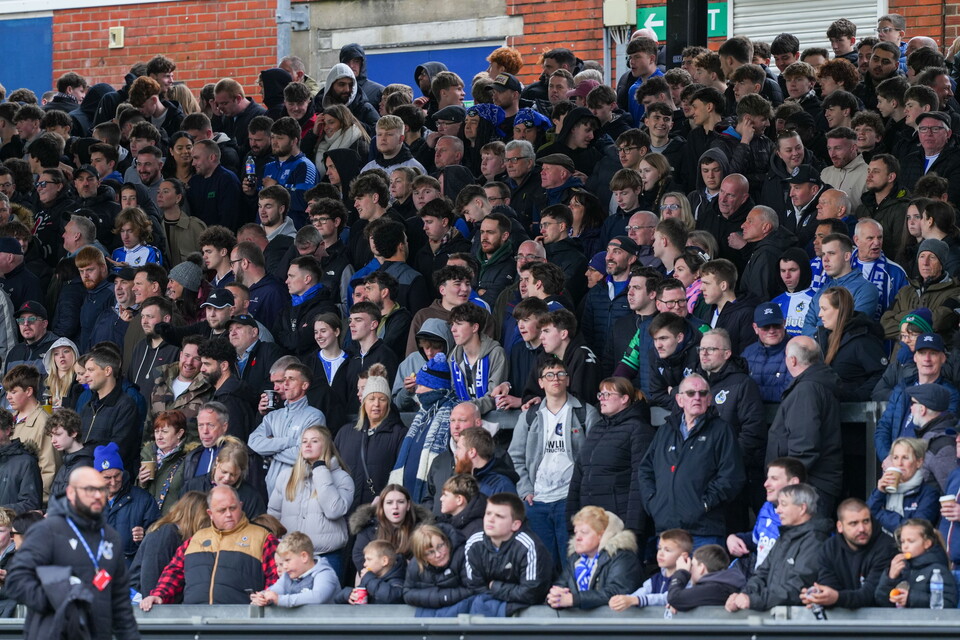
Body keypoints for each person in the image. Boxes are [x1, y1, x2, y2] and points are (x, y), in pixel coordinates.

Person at [5, 467, 139, 640]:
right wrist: (57, 601)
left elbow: (120, 601)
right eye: (90, 489)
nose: (98, 495)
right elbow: (16, 580)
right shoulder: (47, 530)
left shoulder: (111, 537)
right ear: (71, 492)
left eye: (102, 489)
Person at [638, 373, 745, 548]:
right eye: (690, 393)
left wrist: (704, 504)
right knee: (671, 577)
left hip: (704, 531)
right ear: (680, 400)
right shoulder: (665, 431)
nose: (697, 397)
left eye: (702, 393)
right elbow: (645, 470)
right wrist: (653, 502)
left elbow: (732, 476)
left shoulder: (722, 431)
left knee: (703, 576)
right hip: (667, 530)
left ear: (709, 399)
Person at [509, 357, 597, 569]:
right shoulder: (529, 416)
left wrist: (583, 491)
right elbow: (515, 455)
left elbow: (597, 456)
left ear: (568, 379)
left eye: (560, 374)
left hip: (570, 500)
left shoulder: (585, 413)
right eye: (549, 375)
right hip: (537, 502)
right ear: (541, 382)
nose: (555, 379)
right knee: (544, 565)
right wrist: (525, 489)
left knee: (574, 563)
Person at [139, 485, 279, 609]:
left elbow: (278, 580)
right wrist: (159, 595)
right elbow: (173, 573)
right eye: (222, 510)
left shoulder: (263, 538)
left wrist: (267, 596)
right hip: (195, 623)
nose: (229, 514)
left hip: (241, 625)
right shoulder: (195, 539)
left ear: (241, 505)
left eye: (233, 508)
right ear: (210, 514)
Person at [566, 377, 653, 543]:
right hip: (591, 521)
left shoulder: (639, 429)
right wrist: (572, 518)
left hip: (619, 523)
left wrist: (633, 527)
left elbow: (639, 480)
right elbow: (579, 474)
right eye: (601, 395)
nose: (602, 399)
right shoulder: (597, 428)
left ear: (624, 399)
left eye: (607, 394)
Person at [766, 337, 844, 515]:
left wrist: (786, 481)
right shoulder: (815, 384)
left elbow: (804, 445)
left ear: (792, 360)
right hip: (812, 484)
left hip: (807, 487)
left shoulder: (806, 390)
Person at [725, 483, 831, 611]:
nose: (778, 510)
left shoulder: (815, 541)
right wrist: (743, 595)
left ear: (802, 508)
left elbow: (799, 587)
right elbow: (761, 573)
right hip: (776, 620)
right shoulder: (784, 537)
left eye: (784, 504)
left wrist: (754, 600)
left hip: (800, 624)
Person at [267, 426, 353, 575]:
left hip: (325, 557)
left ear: (326, 445)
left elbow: (334, 510)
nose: (307, 445)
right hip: (290, 556)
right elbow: (273, 516)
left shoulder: (342, 478)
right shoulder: (286, 476)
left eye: (314, 441)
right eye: (304, 441)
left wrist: (320, 470)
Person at [462, 493, 551, 617]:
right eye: (488, 513)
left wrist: (495, 587)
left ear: (515, 525)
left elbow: (532, 593)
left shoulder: (529, 545)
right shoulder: (473, 543)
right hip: (488, 604)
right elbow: (474, 587)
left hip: (528, 610)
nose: (490, 519)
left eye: (499, 516)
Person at [801, 498, 898, 610]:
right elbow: (829, 586)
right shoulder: (830, 547)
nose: (862, 529)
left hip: (882, 623)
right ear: (840, 527)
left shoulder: (886, 547)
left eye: (866, 521)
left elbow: (872, 595)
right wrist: (819, 597)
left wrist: (837, 598)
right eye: (854, 523)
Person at [334, 366, 407, 512]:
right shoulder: (345, 432)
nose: (376, 404)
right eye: (371, 399)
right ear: (363, 403)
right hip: (345, 512)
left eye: (382, 399)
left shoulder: (399, 434)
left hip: (379, 513)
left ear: (388, 403)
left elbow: (401, 478)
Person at [388, 353, 459, 502]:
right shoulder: (423, 414)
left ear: (434, 387)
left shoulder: (451, 414)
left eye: (421, 386)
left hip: (431, 499)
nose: (417, 391)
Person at [248, 363, 325, 496]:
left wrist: (270, 451)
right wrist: (289, 442)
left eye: (292, 379)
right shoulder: (272, 416)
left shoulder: (315, 416)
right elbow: (253, 443)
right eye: (284, 379)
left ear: (304, 385)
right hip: (271, 492)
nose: (286, 384)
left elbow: (302, 454)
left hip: (300, 492)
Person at [548, 507, 642, 610]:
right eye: (576, 532)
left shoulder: (622, 557)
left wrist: (574, 600)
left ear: (602, 535)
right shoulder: (576, 559)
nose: (577, 538)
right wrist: (554, 597)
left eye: (584, 532)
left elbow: (615, 592)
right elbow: (560, 585)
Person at [726, 457, 805, 577]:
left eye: (774, 478)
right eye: (768, 478)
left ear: (793, 483)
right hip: (755, 580)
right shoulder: (768, 507)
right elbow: (758, 538)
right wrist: (734, 538)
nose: (766, 484)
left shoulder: (809, 521)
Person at [129, 491, 209, 601]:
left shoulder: (175, 534)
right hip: (143, 602)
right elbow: (151, 575)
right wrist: (154, 607)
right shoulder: (166, 533)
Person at [815, 286, 887, 401]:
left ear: (840, 310)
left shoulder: (863, 340)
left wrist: (856, 397)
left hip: (853, 412)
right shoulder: (821, 337)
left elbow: (881, 375)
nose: (819, 314)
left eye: (824, 309)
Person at [95, 442, 160, 566]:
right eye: (107, 478)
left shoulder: (143, 499)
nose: (113, 482)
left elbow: (160, 536)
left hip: (130, 574)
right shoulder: (87, 501)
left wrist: (145, 534)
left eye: (117, 475)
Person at [2, 365, 56, 502]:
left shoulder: (45, 423)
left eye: (13, 392)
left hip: (29, 507)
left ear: (28, 391)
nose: (8, 397)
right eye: (7, 392)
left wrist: (36, 504)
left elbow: (49, 470)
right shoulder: (9, 418)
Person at [348, 484, 427, 577]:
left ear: (408, 505)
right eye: (389, 502)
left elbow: (423, 563)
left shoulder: (421, 530)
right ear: (382, 506)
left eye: (401, 502)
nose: (395, 506)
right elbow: (359, 558)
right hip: (375, 581)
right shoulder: (369, 528)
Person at [877, 518, 958, 608]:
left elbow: (948, 602)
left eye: (911, 541)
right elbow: (880, 600)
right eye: (903, 542)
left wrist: (911, 598)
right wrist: (890, 577)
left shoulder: (938, 570)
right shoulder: (902, 568)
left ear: (927, 543)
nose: (905, 546)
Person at [868, 437, 940, 534]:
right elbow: (866, 515)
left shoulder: (929, 493)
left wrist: (880, 514)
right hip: (883, 547)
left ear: (919, 462)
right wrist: (879, 492)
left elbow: (915, 530)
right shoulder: (885, 490)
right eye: (895, 458)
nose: (899, 463)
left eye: (905, 458)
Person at [608, 529, 692, 610]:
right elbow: (640, 593)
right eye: (659, 548)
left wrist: (638, 600)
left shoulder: (689, 579)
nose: (660, 553)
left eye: (667, 550)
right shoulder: (655, 579)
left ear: (683, 556)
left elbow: (668, 597)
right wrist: (622, 600)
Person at [250, 531, 339, 607]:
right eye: (282, 562)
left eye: (288, 560)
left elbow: (318, 597)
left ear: (304, 557)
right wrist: (263, 597)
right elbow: (275, 589)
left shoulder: (325, 573)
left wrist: (280, 600)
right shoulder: (287, 576)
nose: (284, 566)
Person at [403, 524, 474, 615]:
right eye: (430, 552)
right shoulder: (415, 565)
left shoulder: (462, 554)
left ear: (446, 541)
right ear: (422, 557)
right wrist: (439, 597)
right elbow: (407, 593)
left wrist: (444, 597)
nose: (438, 554)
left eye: (440, 546)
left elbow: (471, 589)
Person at [137, 410, 195, 515]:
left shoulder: (190, 458)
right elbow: (138, 496)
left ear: (179, 433)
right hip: (147, 521)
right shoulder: (147, 453)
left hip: (173, 522)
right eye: (156, 431)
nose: (159, 436)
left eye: (164, 432)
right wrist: (141, 482)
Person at [667, 544, 747, 612]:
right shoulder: (727, 585)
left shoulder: (715, 588)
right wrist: (681, 604)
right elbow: (677, 600)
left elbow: (674, 598)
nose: (690, 570)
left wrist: (681, 572)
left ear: (701, 568)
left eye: (692, 565)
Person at [742, 302, 793, 403]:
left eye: (776, 325)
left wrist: (750, 391)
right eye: (766, 327)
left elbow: (790, 392)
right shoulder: (747, 353)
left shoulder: (797, 350)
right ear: (755, 328)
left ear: (784, 323)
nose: (772, 331)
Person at [336, 539, 406, 604]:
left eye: (369, 559)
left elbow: (391, 597)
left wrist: (369, 579)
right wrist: (348, 594)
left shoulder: (398, 580)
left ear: (384, 561)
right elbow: (337, 600)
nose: (364, 564)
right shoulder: (370, 579)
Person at [46, 408, 94, 499]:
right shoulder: (67, 462)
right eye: (51, 436)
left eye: (58, 434)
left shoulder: (85, 465)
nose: (53, 441)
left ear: (73, 432)